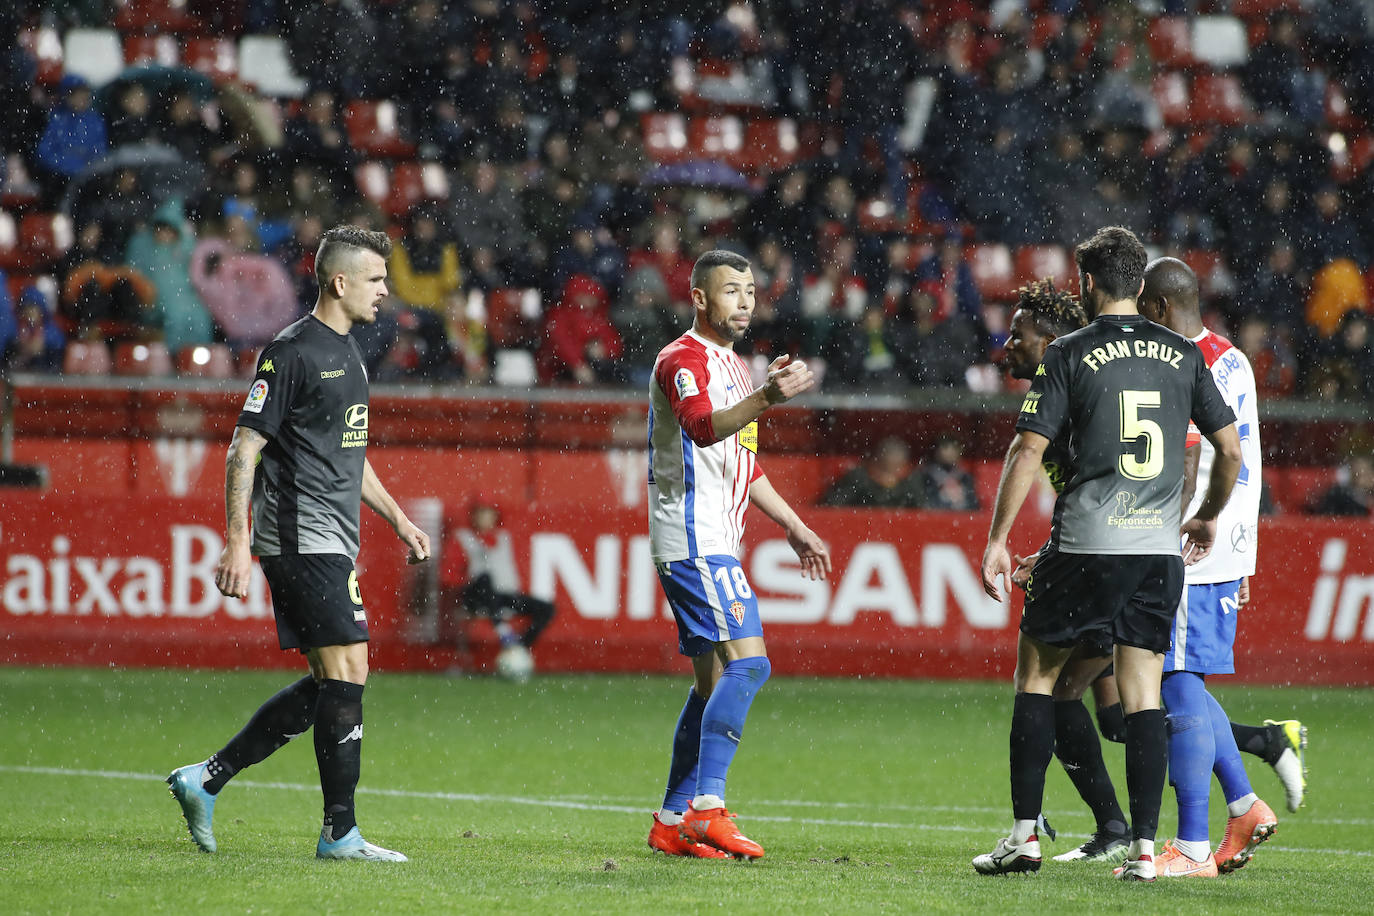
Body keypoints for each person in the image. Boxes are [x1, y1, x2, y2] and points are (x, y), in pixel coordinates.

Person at [974, 226, 1242, 881]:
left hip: (1087, 542)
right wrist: (1205, 515)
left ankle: (1023, 839)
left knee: (1038, 679)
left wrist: (998, 541)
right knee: (1143, 694)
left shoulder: (1068, 352)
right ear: (1140, 284)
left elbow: (1028, 448)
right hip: (1158, 552)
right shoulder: (1183, 354)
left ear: (1090, 283)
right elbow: (1227, 448)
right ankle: (1147, 852)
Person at [167, 226, 431, 862]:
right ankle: (339, 831)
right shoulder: (290, 352)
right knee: (349, 669)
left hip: (332, 539)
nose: (384, 290)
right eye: (374, 279)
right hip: (296, 537)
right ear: (339, 282)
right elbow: (243, 448)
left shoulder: (349, 354)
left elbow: (350, 455)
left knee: (331, 681)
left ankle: (206, 778)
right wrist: (236, 542)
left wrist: (397, 518)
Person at [646, 250, 830, 861]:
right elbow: (701, 428)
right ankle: (708, 807)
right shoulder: (682, 359)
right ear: (700, 298)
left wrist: (795, 526)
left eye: (751, 290)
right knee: (750, 666)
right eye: (731, 290)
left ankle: (672, 819)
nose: (746, 300)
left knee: (712, 684)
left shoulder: (735, 368)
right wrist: (767, 399)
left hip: (715, 541)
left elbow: (742, 467)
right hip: (694, 540)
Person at [1137, 257, 1278, 877]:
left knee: (1174, 682)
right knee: (1182, 678)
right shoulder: (1233, 358)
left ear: (1162, 308)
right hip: (1221, 539)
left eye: (1143, 304)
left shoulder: (1180, 361)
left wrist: (1196, 528)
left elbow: (1195, 456)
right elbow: (1244, 452)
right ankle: (1244, 805)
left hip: (1189, 542)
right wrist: (1240, 547)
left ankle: (1192, 845)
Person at [440, 500, 556, 677]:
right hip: (475, 595)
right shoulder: (463, 538)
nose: (485, 518)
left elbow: (510, 571)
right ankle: (503, 630)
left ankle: (518, 648)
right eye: (481, 513)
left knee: (547, 608)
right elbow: (448, 576)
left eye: (489, 513)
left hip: (503, 595)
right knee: (485, 579)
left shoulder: (503, 538)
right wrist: (467, 580)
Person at [819, 436, 923, 508]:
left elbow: (925, 511)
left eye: (898, 465)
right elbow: (832, 505)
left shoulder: (911, 483)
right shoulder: (859, 478)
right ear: (878, 460)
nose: (893, 470)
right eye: (889, 464)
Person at [916, 435, 980, 511]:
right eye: (946, 448)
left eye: (954, 448)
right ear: (937, 451)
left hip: (963, 518)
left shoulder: (965, 477)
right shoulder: (926, 475)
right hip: (938, 518)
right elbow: (927, 503)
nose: (950, 453)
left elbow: (973, 504)